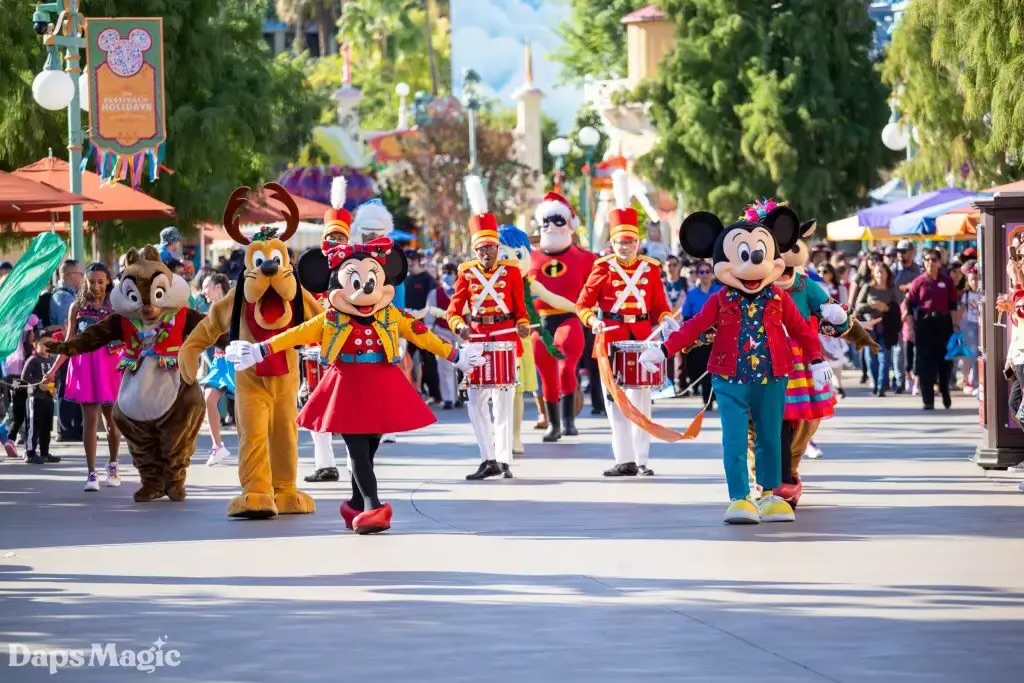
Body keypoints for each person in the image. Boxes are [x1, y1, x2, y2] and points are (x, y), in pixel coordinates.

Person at [226, 238, 483, 534]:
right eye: (356, 281)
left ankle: (355, 502)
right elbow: (294, 334)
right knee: (358, 449)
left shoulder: (391, 315)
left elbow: (422, 335)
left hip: (381, 385)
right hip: (346, 387)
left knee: (369, 448)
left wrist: (457, 355)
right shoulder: (331, 318)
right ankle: (374, 507)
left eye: (373, 279)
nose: (367, 289)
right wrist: (259, 350)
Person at [576, 172, 676, 477]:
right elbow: (582, 304)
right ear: (612, 242)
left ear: (638, 242)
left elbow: (660, 306)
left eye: (631, 242)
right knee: (615, 404)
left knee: (642, 401)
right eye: (620, 242)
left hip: (642, 338)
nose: (626, 246)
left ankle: (642, 460)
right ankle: (624, 459)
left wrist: (667, 320)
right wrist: (593, 321)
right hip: (610, 338)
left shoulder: (651, 269)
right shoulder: (601, 268)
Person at [447, 177, 531, 480]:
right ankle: (488, 457)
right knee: (477, 402)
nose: (486, 253)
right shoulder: (465, 273)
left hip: (506, 338)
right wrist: (460, 328)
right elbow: (454, 311)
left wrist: (523, 327)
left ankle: (505, 459)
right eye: (481, 249)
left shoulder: (511, 273)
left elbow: (522, 311)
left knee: (505, 400)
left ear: (498, 247)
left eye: (491, 248)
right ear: (474, 249)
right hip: (478, 341)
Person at [46, 263, 123, 490]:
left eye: (101, 281)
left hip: (109, 366)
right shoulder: (77, 307)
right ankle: (92, 473)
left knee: (112, 421)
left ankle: (113, 464)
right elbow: (69, 342)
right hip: (84, 366)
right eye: (92, 281)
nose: (96, 286)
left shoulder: (116, 306)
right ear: (85, 281)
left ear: (108, 281)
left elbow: (129, 337)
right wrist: (52, 370)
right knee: (89, 420)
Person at [531, 191, 597, 441]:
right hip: (541, 322)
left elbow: (600, 288)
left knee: (565, 367)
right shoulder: (531, 259)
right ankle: (554, 423)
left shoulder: (585, 258)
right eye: (546, 221)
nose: (551, 226)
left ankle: (569, 419)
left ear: (569, 224)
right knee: (546, 372)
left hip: (570, 318)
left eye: (558, 220)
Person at [32, 259, 84, 441]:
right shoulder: (63, 297)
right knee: (66, 386)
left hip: (69, 347)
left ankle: (73, 427)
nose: (83, 278)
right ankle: (66, 428)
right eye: (80, 274)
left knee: (71, 385)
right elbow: (66, 326)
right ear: (69, 275)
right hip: (65, 347)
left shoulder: (69, 294)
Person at [903, 249, 958, 410]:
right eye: (927, 260)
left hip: (943, 323)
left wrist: (955, 326)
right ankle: (928, 400)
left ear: (939, 262)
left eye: (934, 259)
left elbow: (953, 305)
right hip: (925, 324)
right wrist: (911, 328)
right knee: (926, 362)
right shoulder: (919, 282)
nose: (930, 262)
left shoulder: (947, 282)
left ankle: (944, 389)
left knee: (945, 361)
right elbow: (909, 305)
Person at [197, 274, 236, 466]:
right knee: (208, 398)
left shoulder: (234, 305)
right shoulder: (211, 309)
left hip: (236, 363)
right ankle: (217, 446)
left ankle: (260, 444)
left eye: (206, 286)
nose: (203, 291)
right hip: (219, 363)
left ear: (218, 287)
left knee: (247, 408)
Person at [680, 259, 721, 408]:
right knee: (702, 366)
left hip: (719, 334)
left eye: (707, 272)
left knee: (718, 367)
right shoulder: (692, 294)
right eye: (701, 272)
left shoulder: (720, 291)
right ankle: (707, 399)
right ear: (697, 275)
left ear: (712, 274)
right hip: (700, 335)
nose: (704, 275)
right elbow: (686, 316)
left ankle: (717, 396)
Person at [404, 250, 442, 404]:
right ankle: (410, 393)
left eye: (412, 259)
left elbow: (433, 302)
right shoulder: (404, 280)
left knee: (429, 361)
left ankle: (435, 394)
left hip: (424, 327)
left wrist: (430, 323)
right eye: (407, 260)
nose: (409, 262)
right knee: (406, 361)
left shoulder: (428, 279)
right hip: (407, 326)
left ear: (418, 260)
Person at [21, 334, 59, 464]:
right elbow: (24, 376)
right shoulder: (33, 359)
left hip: (48, 398)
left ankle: (44, 452)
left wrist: (55, 389)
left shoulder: (52, 360)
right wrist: (38, 384)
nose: (46, 347)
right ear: (36, 345)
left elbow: (56, 377)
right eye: (43, 344)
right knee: (33, 426)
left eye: (50, 344)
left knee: (46, 427)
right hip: (35, 397)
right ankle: (30, 452)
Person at [2, 316, 37, 455]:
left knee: (18, 408)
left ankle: (10, 439)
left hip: (10, 376)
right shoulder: (27, 326)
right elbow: (29, 347)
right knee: (29, 410)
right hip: (24, 377)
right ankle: (29, 447)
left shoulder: (11, 327)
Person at [893, 239, 922, 394]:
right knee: (898, 348)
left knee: (914, 348)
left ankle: (914, 378)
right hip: (897, 312)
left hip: (914, 313)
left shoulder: (919, 269)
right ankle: (900, 380)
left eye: (904, 251)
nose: (901, 254)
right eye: (899, 251)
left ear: (912, 252)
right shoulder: (893, 270)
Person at [958, 261, 982, 394]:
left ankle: (979, 381)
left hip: (982, 325)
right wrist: (957, 325)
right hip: (972, 326)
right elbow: (962, 310)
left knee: (982, 353)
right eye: (972, 279)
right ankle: (977, 383)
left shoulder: (984, 293)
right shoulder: (966, 294)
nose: (975, 282)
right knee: (974, 354)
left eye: (977, 279)